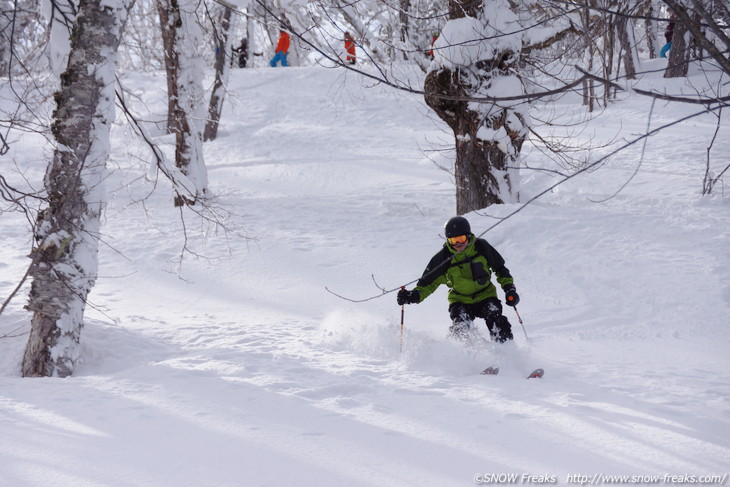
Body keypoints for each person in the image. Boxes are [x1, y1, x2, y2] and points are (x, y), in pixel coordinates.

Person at [397, 216, 520, 343]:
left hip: (486, 296)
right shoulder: (443, 258)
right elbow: (428, 283)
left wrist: (509, 289)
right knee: (461, 326)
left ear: (468, 236)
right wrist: (413, 295)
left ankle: (506, 352)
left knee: (497, 320)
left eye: (461, 239)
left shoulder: (481, 247)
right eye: (453, 240)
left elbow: (500, 269)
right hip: (460, 300)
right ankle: (465, 356)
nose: (458, 244)